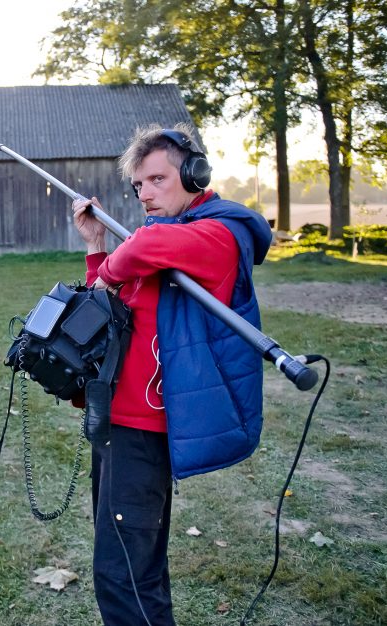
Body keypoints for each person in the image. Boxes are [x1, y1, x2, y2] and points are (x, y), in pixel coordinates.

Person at [71, 124, 271, 625]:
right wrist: (98, 246)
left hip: (145, 428)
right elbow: (104, 304)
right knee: (135, 567)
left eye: (157, 179)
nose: (145, 195)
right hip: (117, 421)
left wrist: (119, 260)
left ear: (194, 174)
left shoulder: (221, 233)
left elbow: (138, 252)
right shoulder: (166, 238)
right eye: (138, 186)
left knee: (123, 578)